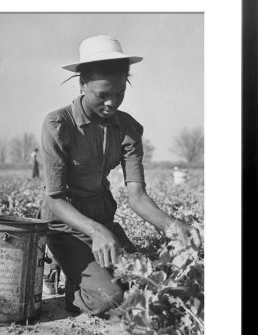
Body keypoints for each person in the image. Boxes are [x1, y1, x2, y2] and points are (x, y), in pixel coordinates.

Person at [40, 35, 201, 316]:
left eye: (120, 93)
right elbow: (54, 198)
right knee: (110, 298)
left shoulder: (128, 129)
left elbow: (137, 195)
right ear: (82, 84)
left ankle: (86, 267)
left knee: (144, 281)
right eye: (102, 95)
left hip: (103, 220)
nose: (111, 103)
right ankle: (67, 275)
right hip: (64, 225)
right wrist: (95, 231)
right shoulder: (58, 125)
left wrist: (172, 226)